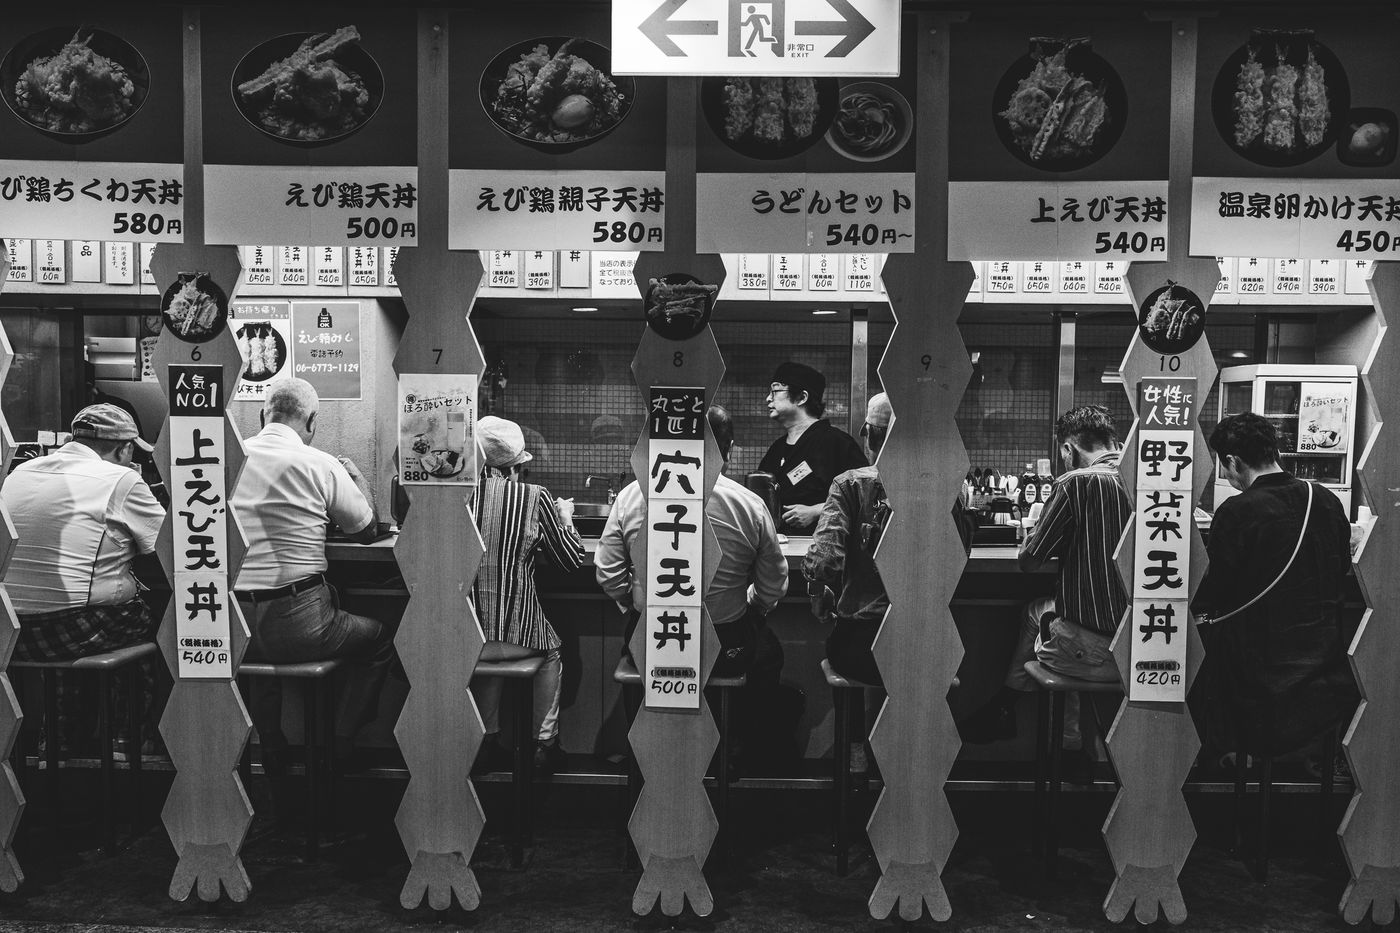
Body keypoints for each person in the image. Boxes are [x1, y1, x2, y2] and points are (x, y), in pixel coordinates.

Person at [596, 405, 791, 768]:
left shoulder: (631, 496)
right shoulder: (749, 503)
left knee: (639, 647)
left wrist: (634, 601)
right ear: (728, 450)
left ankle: (646, 759)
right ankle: (731, 754)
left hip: (653, 640)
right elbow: (773, 586)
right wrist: (754, 605)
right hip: (725, 642)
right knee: (767, 653)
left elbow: (608, 574)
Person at [231, 378, 394, 776]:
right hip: (301, 626)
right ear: (312, 421)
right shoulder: (319, 463)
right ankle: (341, 740)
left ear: (262, 416)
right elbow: (365, 530)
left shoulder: (229, 458)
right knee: (379, 639)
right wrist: (356, 478)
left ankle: (272, 744)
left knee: (260, 654)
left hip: (232, 627)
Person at [1192, 413, 1357, 760]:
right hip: (1323, 661)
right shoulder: (1325, 500)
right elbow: (1340, 568)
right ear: (1274, 451)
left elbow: (1216, 589)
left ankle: (1225, 761)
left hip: (1256, 666)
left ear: (1233, 461)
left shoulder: (1237, 510)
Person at [3, 404, 165, 749]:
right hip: (69, 628)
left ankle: (59, 739)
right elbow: (167, 547)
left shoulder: (19, 473)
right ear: (124, 449)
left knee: (75, 613)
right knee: (152, 623)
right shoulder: (122, 479)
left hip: (10, 630)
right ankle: (129, 740)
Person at [1000, 405, 1132, 766]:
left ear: (1068, 449)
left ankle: (1016, 708)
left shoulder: (1076, 482)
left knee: (1041, 614)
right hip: (1148, 645)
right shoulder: (1151, 479)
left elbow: (1030, 562)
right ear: (1114, 441)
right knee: (1055, 616)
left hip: (1097, 650)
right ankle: (1068, 743)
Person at [471, 416, 586, 775]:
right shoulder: (534, 496)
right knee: (550, 650)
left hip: (462, 638)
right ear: (515, 468)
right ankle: (544, 744)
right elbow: (570, 559)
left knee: (487, 646)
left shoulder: (456, 496)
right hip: (518, 639)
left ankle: (486, 741)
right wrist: (565, 518)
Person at [758, 362, 867, 534]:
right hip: (779, 544)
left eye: (775, 391)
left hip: (825, 544)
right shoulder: (777, 449)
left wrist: (816, 511)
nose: (768, 398)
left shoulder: (836, 442)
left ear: (802, 397)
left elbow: (866, 496)